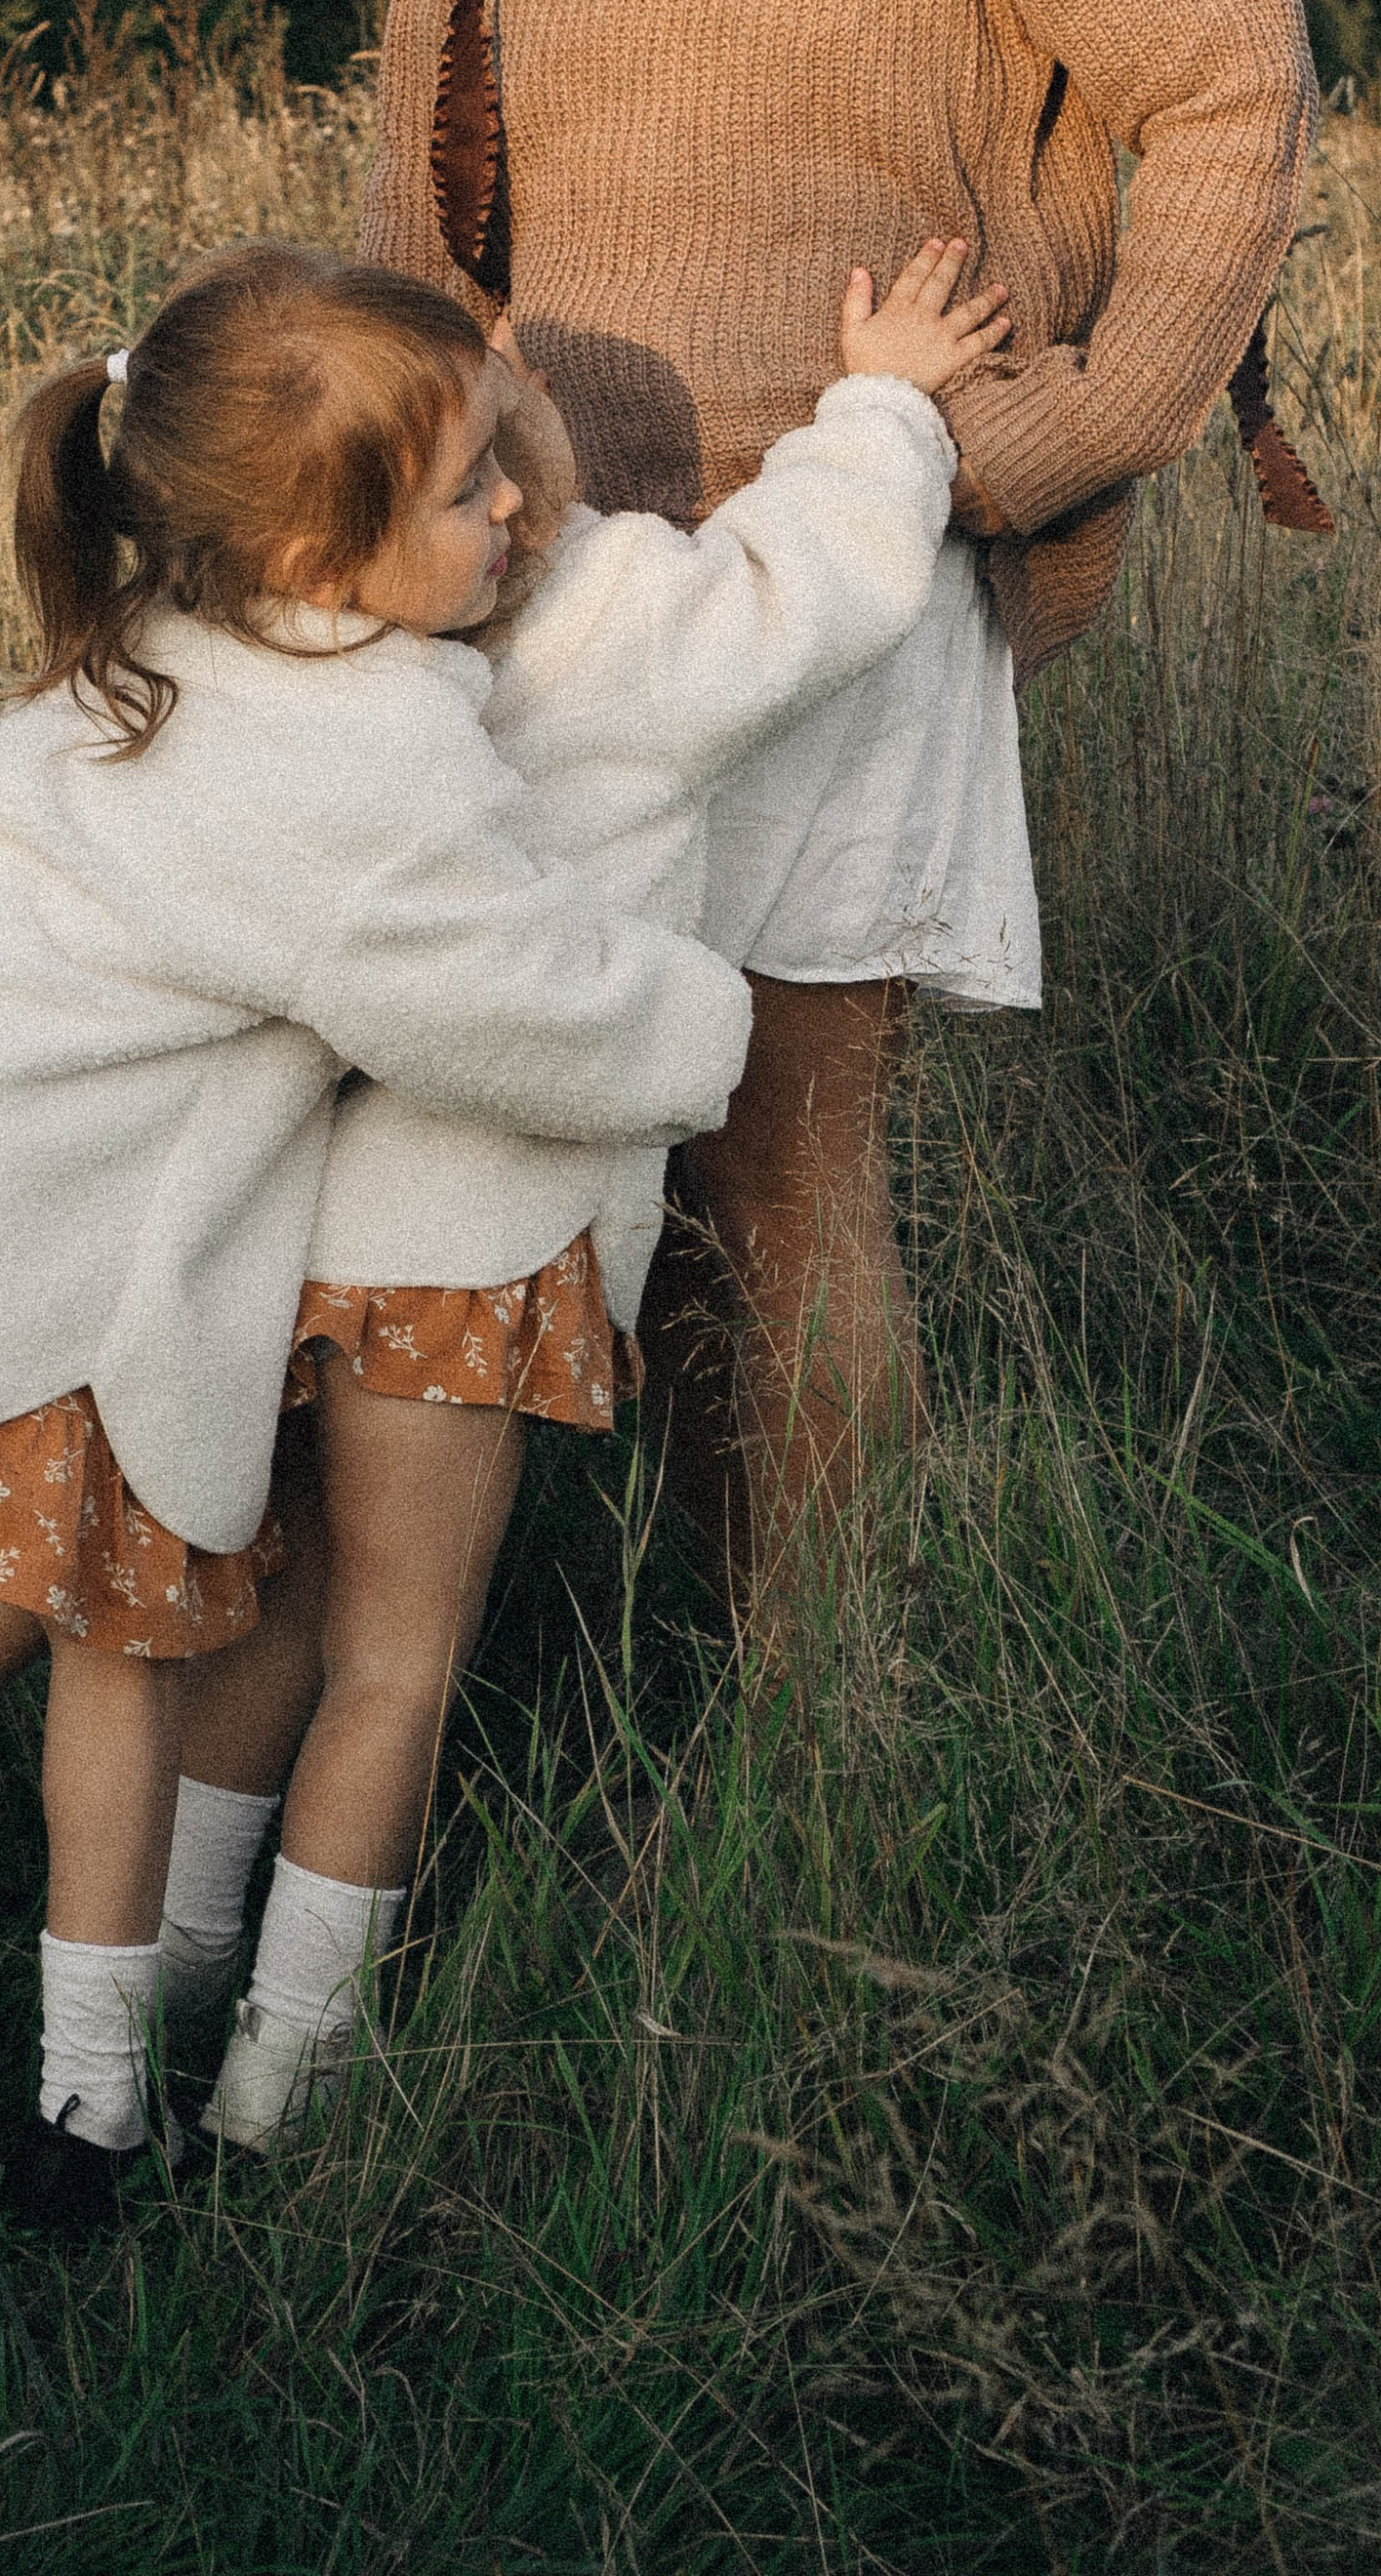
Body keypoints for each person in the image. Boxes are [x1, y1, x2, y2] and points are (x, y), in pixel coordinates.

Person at [350, 0, 1321, 1619]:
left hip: (849, 562)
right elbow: (420, 148)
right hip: (548, 583)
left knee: (776, 1176)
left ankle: (816, 1767)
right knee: (542, 1158)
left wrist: (1047, 438)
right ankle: (580, 1684)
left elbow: (1229, 80)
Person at [0, 241, 758, 2234]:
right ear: (324, 548)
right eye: (463, 489)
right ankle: (87, 2122)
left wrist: (478, 410)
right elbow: (502, 1007)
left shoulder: (189, 614)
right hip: (17, 1211)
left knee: (59, 1564)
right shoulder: (357, 759)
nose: (511, 511)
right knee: (133, 1620)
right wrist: (706, 1026)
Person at [165, 242, 1008, 2147]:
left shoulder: (292, 631)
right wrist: (877, 395)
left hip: (282, 1231)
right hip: (473, 1261)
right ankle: (281, 2093)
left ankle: (156, 1976)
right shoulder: (616, 612)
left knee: (273, 1612)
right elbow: (818, 584)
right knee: (395, 1663)